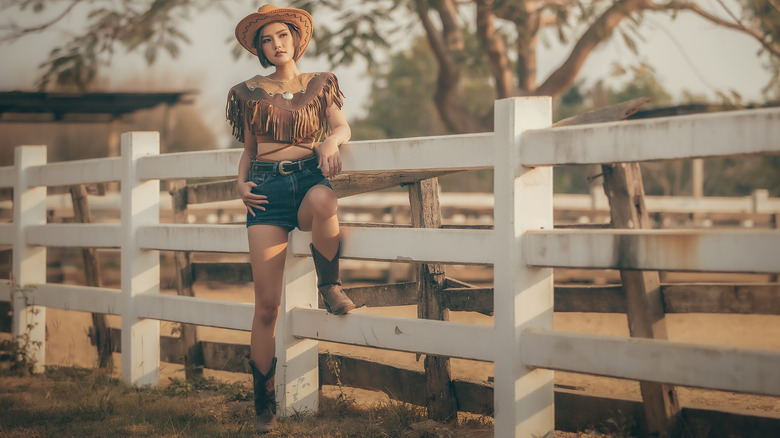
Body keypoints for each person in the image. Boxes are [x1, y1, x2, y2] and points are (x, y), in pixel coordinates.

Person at [226, 4, 355, 434]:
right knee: (267, 307)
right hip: (265, 191)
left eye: (282, 35)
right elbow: (248, 149)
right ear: (259, 48)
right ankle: (264, 403)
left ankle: (329, 284)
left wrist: (329, 143)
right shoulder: (247, 91)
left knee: (324, 200)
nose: (276, 44)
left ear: (296, 39)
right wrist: (240, 185)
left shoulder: (320, 85)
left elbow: (343, 127)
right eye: (267, 39)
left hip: (307, 179)